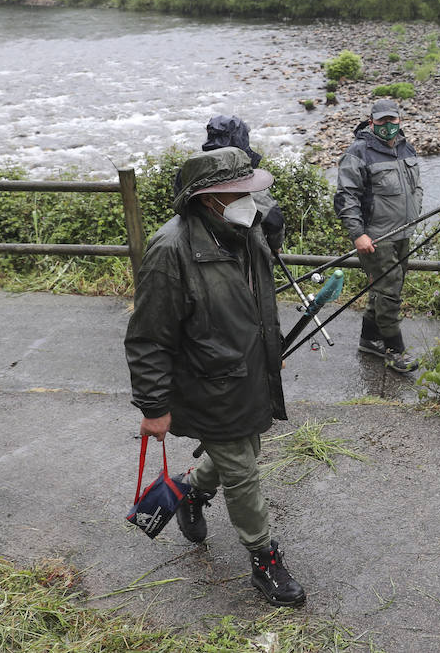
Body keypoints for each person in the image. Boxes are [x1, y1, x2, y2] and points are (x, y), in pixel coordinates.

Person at [124, 146, 305, 608]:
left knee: (246, 450)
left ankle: (191, 489)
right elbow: (148, 337)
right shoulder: (172, 250)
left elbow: (260, 298)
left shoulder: (247, 230)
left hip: (249, 370)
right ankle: (264, 559)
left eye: (251, 189)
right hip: (207, 381)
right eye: (239, 192)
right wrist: (154, 407)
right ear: (207, 199)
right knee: (243, 471)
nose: (251, 199)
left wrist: (272, 350)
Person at [333, 98, 423, 375]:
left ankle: (369, 339)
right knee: (389, 291)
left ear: (399, 120)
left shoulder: (406, 147)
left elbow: (415, 187)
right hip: (376, 237)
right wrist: (358, 234)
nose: (387, 126)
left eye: (392, 120)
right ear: (371, 121)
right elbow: (346, 196)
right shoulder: (358, 152)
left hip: (403, 232)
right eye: (381, 121)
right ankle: (395, 350)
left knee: (385, 289)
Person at [200, 115, 286, 256]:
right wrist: (276, 246)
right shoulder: (243, 179)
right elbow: (274, 220)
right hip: (241, 254)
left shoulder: (196, 171)